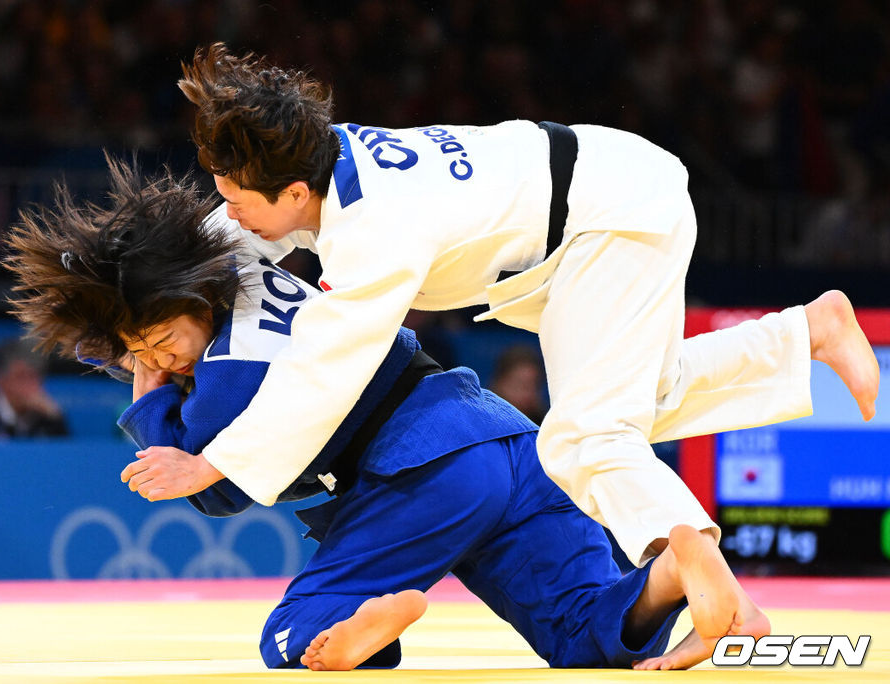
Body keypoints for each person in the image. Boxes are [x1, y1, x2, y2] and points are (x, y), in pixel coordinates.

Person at [171, 44, 880, 661]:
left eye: (236, 197)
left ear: (293, 190)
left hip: (610, 220)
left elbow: (326, 369)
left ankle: (692, 553)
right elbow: (238, 235)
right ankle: (805, 333)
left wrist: (215, 462)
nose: (228, 210)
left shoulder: (374, 231)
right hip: (605, 199)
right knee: (643, 400)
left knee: (585, 435)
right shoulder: (326, 155)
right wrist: (139, 267)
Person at [2, 158, 779, 670]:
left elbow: (214, 488)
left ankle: (351, 626)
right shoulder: (234, 263)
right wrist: (134, 333)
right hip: (505, 435)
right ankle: (676, 563)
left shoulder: (228, 376)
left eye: (160, 344)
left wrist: (147, 388)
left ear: (185, 301)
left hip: (424, 471)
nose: (160, 361)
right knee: (586, 639)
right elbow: (187, 264)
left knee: (290, 639)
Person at [489, 344, 549, 424]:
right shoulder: (480, 423)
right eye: (519, 386)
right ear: (500, 383)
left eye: (535, 386)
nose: (528, 395)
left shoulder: (547, 425)